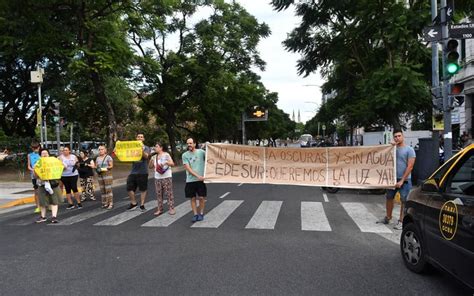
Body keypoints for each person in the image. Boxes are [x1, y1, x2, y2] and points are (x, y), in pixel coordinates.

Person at [377, 129, 416, 230]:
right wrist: (390, 147)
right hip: (392, 179)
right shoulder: (392, 149)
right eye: (395, 136)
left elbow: (410, 166)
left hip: (405, 180)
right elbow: (383, 160)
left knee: (404, 200)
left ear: (403, 136)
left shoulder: (409, 150)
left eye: (399, 136)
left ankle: (401, 221)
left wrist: (402, 180)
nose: (397, 138)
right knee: (389, 198)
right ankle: (388, 217)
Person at [182, 137, 207, 222]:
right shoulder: (185, 155)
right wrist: (197, 176)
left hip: (200, 180)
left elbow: (210, 158)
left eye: (190, 143)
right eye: (188, 143)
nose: (189, 145)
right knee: (192, 198)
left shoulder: (201, 152)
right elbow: (188, 168)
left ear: (194, 144)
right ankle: (195, 214)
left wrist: (210, 146)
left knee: (201, 198)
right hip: (190, 180)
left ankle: (201, 213)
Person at [35, 149, 61, 224]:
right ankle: (43, 216)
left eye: (46, 153)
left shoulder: (54, 161)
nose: (44, 154)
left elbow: (62, 168)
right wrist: (36, 171)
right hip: (42, 184)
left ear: (49, 154)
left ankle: (54, 217)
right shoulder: (38, 163)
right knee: (42, 201)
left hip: (53, 183)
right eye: (43, 153)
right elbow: (35, 175)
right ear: (40, 155)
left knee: (54, 200)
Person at [149, 142, 175, 216]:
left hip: (166, 176)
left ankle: (171, 208)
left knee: (169, 193)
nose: (155, 148)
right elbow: (150, 167)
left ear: (161, 148)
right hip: (157, 177)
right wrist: (151, 161)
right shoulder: (154, 157)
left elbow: (172, 164)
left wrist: (166, 162)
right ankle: (159, 209)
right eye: (155, 146)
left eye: (156, 146)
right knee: (159, 194)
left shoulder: (166, 155)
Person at [126, 133, 151, 211]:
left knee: (143, 189)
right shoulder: (132, 147)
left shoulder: (146, 148)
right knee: (129, 187)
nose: (140, 138)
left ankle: (142, 204)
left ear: (143, 139)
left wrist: (140, 149)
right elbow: (126, 155)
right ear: (136, 138)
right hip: (133, 171)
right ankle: (134, 203)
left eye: (141, 137)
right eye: (138, 137)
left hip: (143, 171)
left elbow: (146, 156)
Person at [27, 142, 41, 213]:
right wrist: (33, 170)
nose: (36, 149)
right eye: (34, 148)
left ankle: (47, 205)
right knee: (36, 191)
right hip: (34, 175)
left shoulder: (42, 154)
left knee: (46, 190)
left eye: (37, 148)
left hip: (43, 175)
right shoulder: (29, 155)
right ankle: (38, 206)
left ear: (39, 147)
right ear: (32, 148)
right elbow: (29, 166)